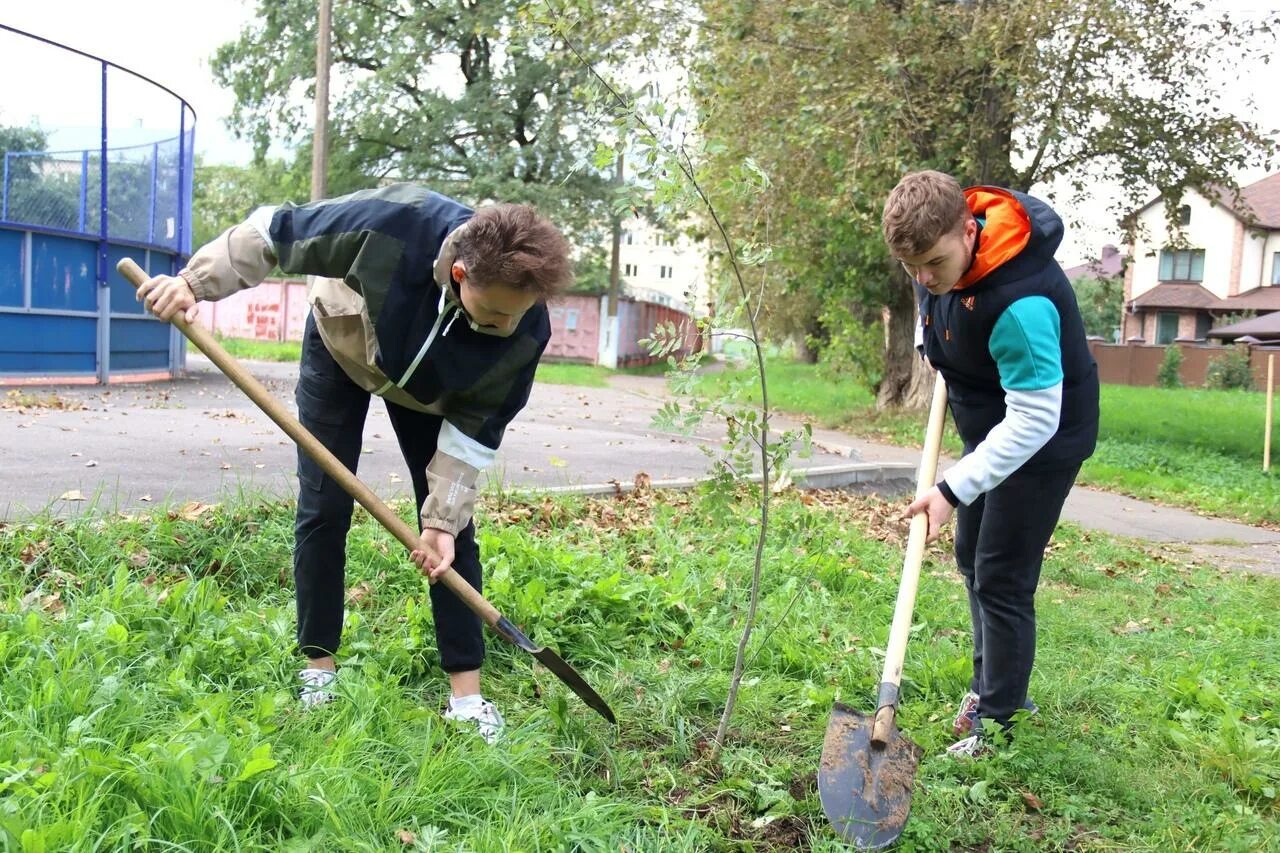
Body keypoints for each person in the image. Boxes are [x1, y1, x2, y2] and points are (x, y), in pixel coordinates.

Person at [137, 184, 573, 742]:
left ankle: (467, 697)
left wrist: (440, 520)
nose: (502, 327)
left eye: (517, 315)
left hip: (430, 392)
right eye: (492, 314)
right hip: (343, 344)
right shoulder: (393, 224)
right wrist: (193, 283)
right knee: (323, 505)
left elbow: (475, 432)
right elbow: (275, 232)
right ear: (460, 274)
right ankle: (318, 669)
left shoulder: (524, 327)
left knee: (451, 532)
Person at [881, 170, 1099, 757]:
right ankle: (988, 688)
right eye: (912, 268)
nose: (924, 279)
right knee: (970, 558)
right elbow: (946, 328)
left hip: (1043, 442)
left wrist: (953, 489)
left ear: (968, 230)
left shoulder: (1021, 303)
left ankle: (1001, 722)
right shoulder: (934, 267)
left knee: (1002, 576)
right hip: (991, 433)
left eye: (932, 262)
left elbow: (1033, 420)